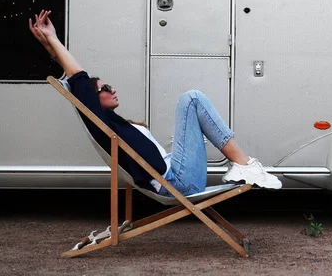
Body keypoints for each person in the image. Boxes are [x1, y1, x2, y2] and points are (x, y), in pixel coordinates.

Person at [28, 10, 282, 196]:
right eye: (104, 88)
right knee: (192, 99)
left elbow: (78, 81)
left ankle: (243, 164)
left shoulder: (112, 124)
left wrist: (50, 45)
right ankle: (244, 165)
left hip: (177, 175)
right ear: (93, 99)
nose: (112, 89)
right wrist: (53, 39)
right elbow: (79, 79)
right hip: (178, 181)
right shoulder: (99, 122)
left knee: (192, 99)